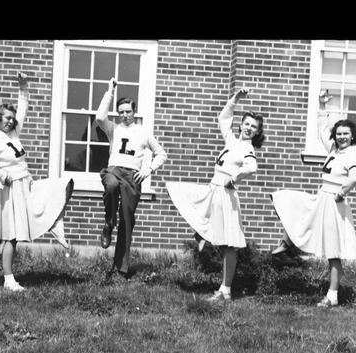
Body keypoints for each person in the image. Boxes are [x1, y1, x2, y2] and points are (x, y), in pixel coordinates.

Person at [0, 73, 74, 292]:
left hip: (26, 183)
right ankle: (9, 279)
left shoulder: (14, 134)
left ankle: (56, 227)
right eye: (6, 117)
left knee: (57, 188)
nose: (10, 120)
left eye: (12, 117)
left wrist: (23, 87)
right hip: (11, 189)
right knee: (12, 235)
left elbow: (23, 106)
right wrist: (2, 175)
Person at [166, 88, 264, 302]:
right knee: (194, 205)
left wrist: (235, 177)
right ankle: (202, 237)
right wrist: (236, 98)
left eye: (253, 127)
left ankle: (225, 290)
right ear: (241, 125)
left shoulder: (247, 148)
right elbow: (224, 116)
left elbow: (252, 167)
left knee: (228, 243)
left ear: (257, 132)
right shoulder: (231, 141)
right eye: (246, 124)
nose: (249, 128)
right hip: (214, 189)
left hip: (225, 194)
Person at [270, 90, 356, 307]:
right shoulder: (333, 151)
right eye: (339, 134)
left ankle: (332, 295)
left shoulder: (352, 154)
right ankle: (288, 243)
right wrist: (323, 107)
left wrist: (342, 192)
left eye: (345, 134)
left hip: (334, 202)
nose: (341, 137)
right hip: (321, 197)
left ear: (352, 135)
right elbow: (323, 129)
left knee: (333, 252)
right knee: (287, 200)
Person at [95, 77, 167, 279]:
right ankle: (109, 223)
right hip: (114, 171)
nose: (125, 115)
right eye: (121, 112)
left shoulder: (144, 132)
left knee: (127, 221)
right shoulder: (113, 129)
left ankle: (121, 268)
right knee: (109, 186)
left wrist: (149, 170)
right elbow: (100, 117)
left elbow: (161, 153)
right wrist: (109, 91)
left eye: (128, 111)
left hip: (132, 177)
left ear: (134, 112)